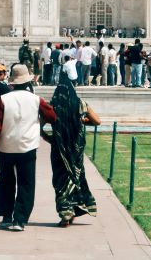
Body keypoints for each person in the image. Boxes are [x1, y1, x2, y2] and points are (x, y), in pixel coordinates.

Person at [0, 64, 57, 231]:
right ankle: (19, 220)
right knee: (26, 184)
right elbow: (52, 116)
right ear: (28, 81)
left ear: (12, 81)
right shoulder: (36, 99)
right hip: (28, 147)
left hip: (5, 147)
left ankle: (6, 217)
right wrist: (38, 122)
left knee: (6, 182)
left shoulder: (3, 99)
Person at [49, 70, 100, 227]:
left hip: (59, 149)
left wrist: (48, 137)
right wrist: (81, 121)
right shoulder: (80, 104)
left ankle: (66, 213)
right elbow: (97, 121)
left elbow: (40, 124)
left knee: (60, 180)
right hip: (76, 149)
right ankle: (72, 209)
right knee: (75, 176)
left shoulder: (53, 106)